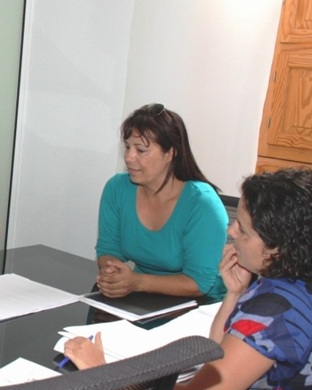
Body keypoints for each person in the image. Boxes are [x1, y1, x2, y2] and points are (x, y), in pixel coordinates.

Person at [65, 167, 312, 390]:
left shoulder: (274, 312)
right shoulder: (287, 283)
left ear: (277, 249)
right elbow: (219, 352)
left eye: (243, 231)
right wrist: (233, 294)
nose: (231, 231)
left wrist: (101, 371)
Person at [95, 103, 228, 301]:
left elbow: (199, 282)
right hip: (143, 299)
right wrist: (113, 272)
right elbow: (108, 249)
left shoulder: (202, 204)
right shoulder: (117, 189)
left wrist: (137, 282)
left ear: (170, 154)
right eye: (128, 147)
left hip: (201, 306)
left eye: (140, 150)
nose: (129, 157)